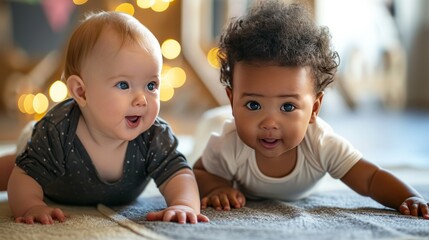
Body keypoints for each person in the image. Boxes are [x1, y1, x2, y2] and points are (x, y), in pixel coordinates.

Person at [193, 0, 429, 219]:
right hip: (220, 121)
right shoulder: (228, 142)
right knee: (211, 123)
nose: (269, 122)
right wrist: (217, 187)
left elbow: (370, 178)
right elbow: (199, 172)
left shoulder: (321, 143)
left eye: (288, 106)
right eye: (253, 104)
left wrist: (409, 197)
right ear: (232, 100)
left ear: (315, 108)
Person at [6, 11, 209, 225]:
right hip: (40, 156)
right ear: (82, 92)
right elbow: (25, 178)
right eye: (123, 85)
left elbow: (179, 174)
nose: (141, 100)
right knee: (14, 170)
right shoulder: (57, 131)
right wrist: (31, 206)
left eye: (151, 85)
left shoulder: (153, 135)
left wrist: (184, 204)